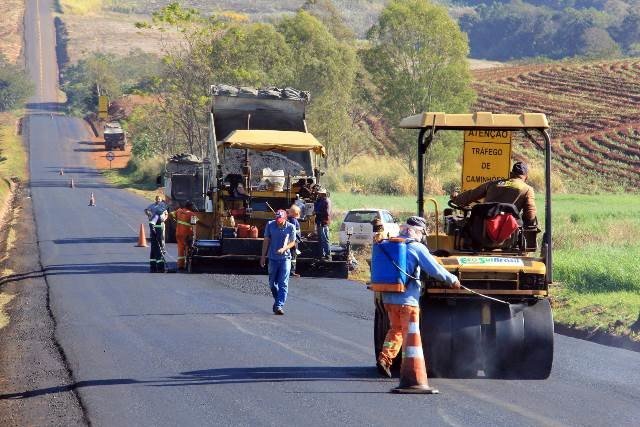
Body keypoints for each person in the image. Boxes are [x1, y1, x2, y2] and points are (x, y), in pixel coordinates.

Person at [377, 216, 461, 378]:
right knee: (411, 334)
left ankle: (385, 358)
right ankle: (410, 369)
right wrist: (453, 280)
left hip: (388, 298)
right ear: (417, 231)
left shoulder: (389, 244)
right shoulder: (416, 247)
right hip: (407, 301)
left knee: (395, 330)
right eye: (422, 232)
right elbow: (434, 269)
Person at [450, 161, 537, 225]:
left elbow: (470, 195)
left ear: (511, 174)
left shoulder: (493, 184)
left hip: (482, 231)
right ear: (526, 178)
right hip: (508, 235)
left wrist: (456, 198)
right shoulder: (527, 189)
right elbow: (530, 214)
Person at [260, 209, 297, 315]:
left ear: (285, 218)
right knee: (272, 284)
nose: (278, 221)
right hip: (272, 259)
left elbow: (292, 242)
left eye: (280, 219)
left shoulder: (291, 227)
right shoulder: (270, 225)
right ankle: (277, 302)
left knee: (283, 283)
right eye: (277, 219)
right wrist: (263, 256)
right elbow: (266, 240)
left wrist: (284, 249)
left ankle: (279, 305)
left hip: (285, 259)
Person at [170, 201, 197, 271]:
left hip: (178, 233)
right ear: (190, 207)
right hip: (187, 234)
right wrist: (194, 235)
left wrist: (175, 220)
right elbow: (194, 225)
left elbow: (171, 214)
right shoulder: (192, 214)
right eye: (192, 206)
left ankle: (180, 265)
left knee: (181, 249)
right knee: (188, 248)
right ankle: (188, 264)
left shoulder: (179, 211)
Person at [314, 187, 331, 259]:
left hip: (322, 222)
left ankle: (327, 254)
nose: (318, 194)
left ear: (323, 194)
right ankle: (322, 254)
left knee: (324, 239)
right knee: (322, 239)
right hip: (321, 221)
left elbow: (326, 213)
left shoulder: (325, 201)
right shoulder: (322, 200)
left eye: (319, 193)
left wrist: (316, 212)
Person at [287, 205, 302, 277]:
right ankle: (292, 271)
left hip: (291, 241)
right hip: (294, 241)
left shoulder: (289, 219)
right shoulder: (293, 220)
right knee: (293, 257)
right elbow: (293, 232)